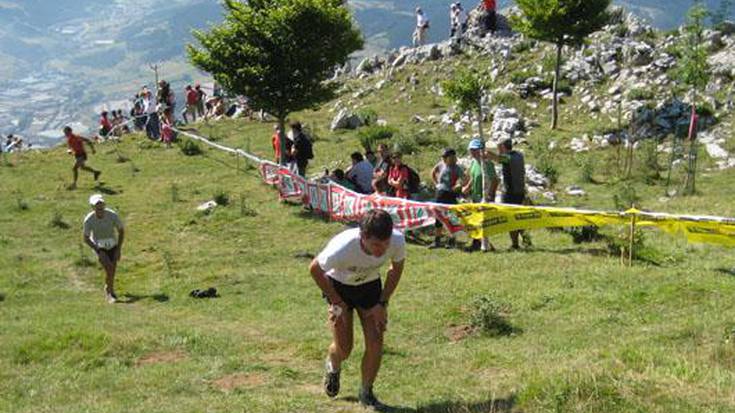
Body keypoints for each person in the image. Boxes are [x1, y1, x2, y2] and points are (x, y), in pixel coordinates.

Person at [309, 209, 406, 410]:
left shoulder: (397, 240)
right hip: (338, 288)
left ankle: (366, 392)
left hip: (369, 287)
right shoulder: (342, 247)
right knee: (344, 348)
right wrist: (336, 302)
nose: (381, 249)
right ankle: (333, 366)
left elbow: (395, 269)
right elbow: (315, 269)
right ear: (363, 236)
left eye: (385, 243)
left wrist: (382, 303)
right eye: (376, 245)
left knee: (376, 341)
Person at [489, 139, 532, 250]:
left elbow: (498, 158)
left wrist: (486, 153)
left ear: (503, 147)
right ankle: (525, 239)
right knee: (519, 217)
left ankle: (515, 244)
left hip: (510, 192)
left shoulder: (508, 157)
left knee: (510, 218)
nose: (498, 150)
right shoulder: (519, 155)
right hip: (520, 191)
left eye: (499, 148)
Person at [83, 194, 125, 304]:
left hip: (112, 244)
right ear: (93, 207)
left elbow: (121, 230)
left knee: (112, 270)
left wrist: (118, 249)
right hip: (99, 245)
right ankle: (110, 293)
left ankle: (108, 287)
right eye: (97, 206)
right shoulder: (89, 220)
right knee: (109, 268)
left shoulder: (112, 215)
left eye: (101, 205)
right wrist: (97, 251)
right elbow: (86, 238)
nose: (100, 208)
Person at [462, 138, 498, 252]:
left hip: (484, 197)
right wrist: (467, 187)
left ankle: (484, 245)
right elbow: (473, 176)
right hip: (475, 196)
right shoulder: (473, 163)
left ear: (480, 150)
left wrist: (490, 195)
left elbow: (495, 180)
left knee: (483, 222)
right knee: (475, 220)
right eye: (471, 150)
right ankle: (478, 243)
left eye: (474, 150)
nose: (472, 152)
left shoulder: (487, 164)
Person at [430, 148, 467, 249]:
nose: (453, 159)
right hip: (439, 194)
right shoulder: (441, 164)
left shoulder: (456, 168)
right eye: (450, 158)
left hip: (450, 194)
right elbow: (433, 172)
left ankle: (452, 240)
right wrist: (436, 184)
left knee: (451, 218)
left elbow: (464, 178)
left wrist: (459, 185)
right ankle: (437, 241)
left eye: (454, 157)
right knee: (438, 217)